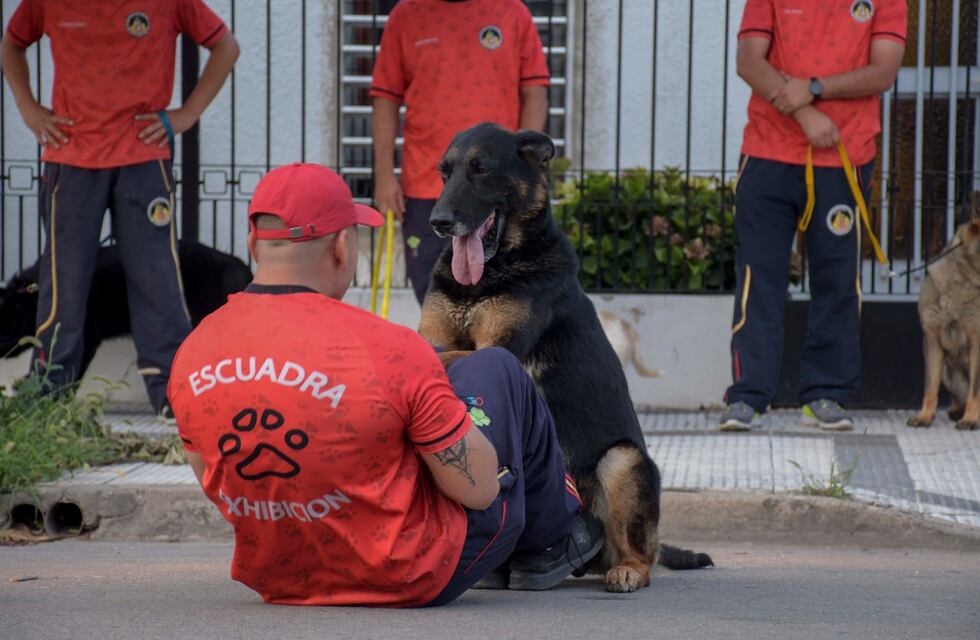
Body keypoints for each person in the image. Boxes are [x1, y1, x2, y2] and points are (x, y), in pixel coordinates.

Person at [166, 163, 603, 607]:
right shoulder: (388, 348)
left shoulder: (193, 351)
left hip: (280, 576)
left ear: (253, 244)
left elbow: (216, 480)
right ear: (342, 246)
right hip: (413, 572)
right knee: (497, 369)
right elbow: (480, 490)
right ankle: (554, 541)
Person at [1, 0, 239, 420]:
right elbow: (12, 43)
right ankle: (48, 396)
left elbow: (226, 47)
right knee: (63, 284)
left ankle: (174, 396)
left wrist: (187, 114)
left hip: (144, 162)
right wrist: (29, 108)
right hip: (70, 163)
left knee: (156, 280)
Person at [720, 0, 906, 431]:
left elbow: (884, 71)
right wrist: (804, 111)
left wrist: (816, 87)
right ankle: (747, 397)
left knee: (837, 278)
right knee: (757, 277)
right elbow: (748, 60)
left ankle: (826, 394)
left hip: (845, 154)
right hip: (768, 153)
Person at [370, 0, 550, 304]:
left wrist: (527, 166)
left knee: (503, 295)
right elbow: (385, 100)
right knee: (432, 296)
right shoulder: (406, 14)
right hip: (427, 186)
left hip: (495, 191)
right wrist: (385, 176)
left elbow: (534, 92)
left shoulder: (511, 11)